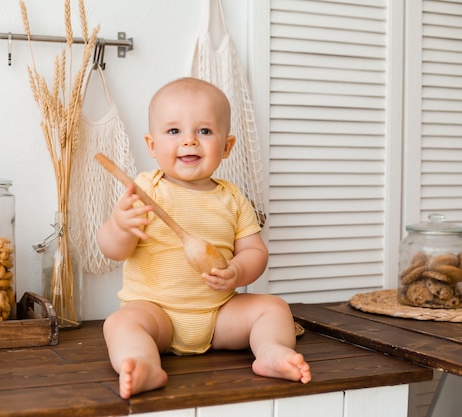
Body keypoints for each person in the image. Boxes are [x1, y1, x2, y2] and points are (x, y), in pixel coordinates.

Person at [97, 77, 311, 399]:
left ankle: (270, 351)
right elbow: (112, 250)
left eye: (204, 131)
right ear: (152, 145)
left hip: (220, 315)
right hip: (157, 315)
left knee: (274, 307)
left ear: (226, 147)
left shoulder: (233, 198)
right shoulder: (144, 190)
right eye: (174, 131)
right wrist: (120, 226)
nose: (189, 142)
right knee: (120, 323)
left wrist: (238, 272)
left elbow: (255, 251)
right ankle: (143, 364)